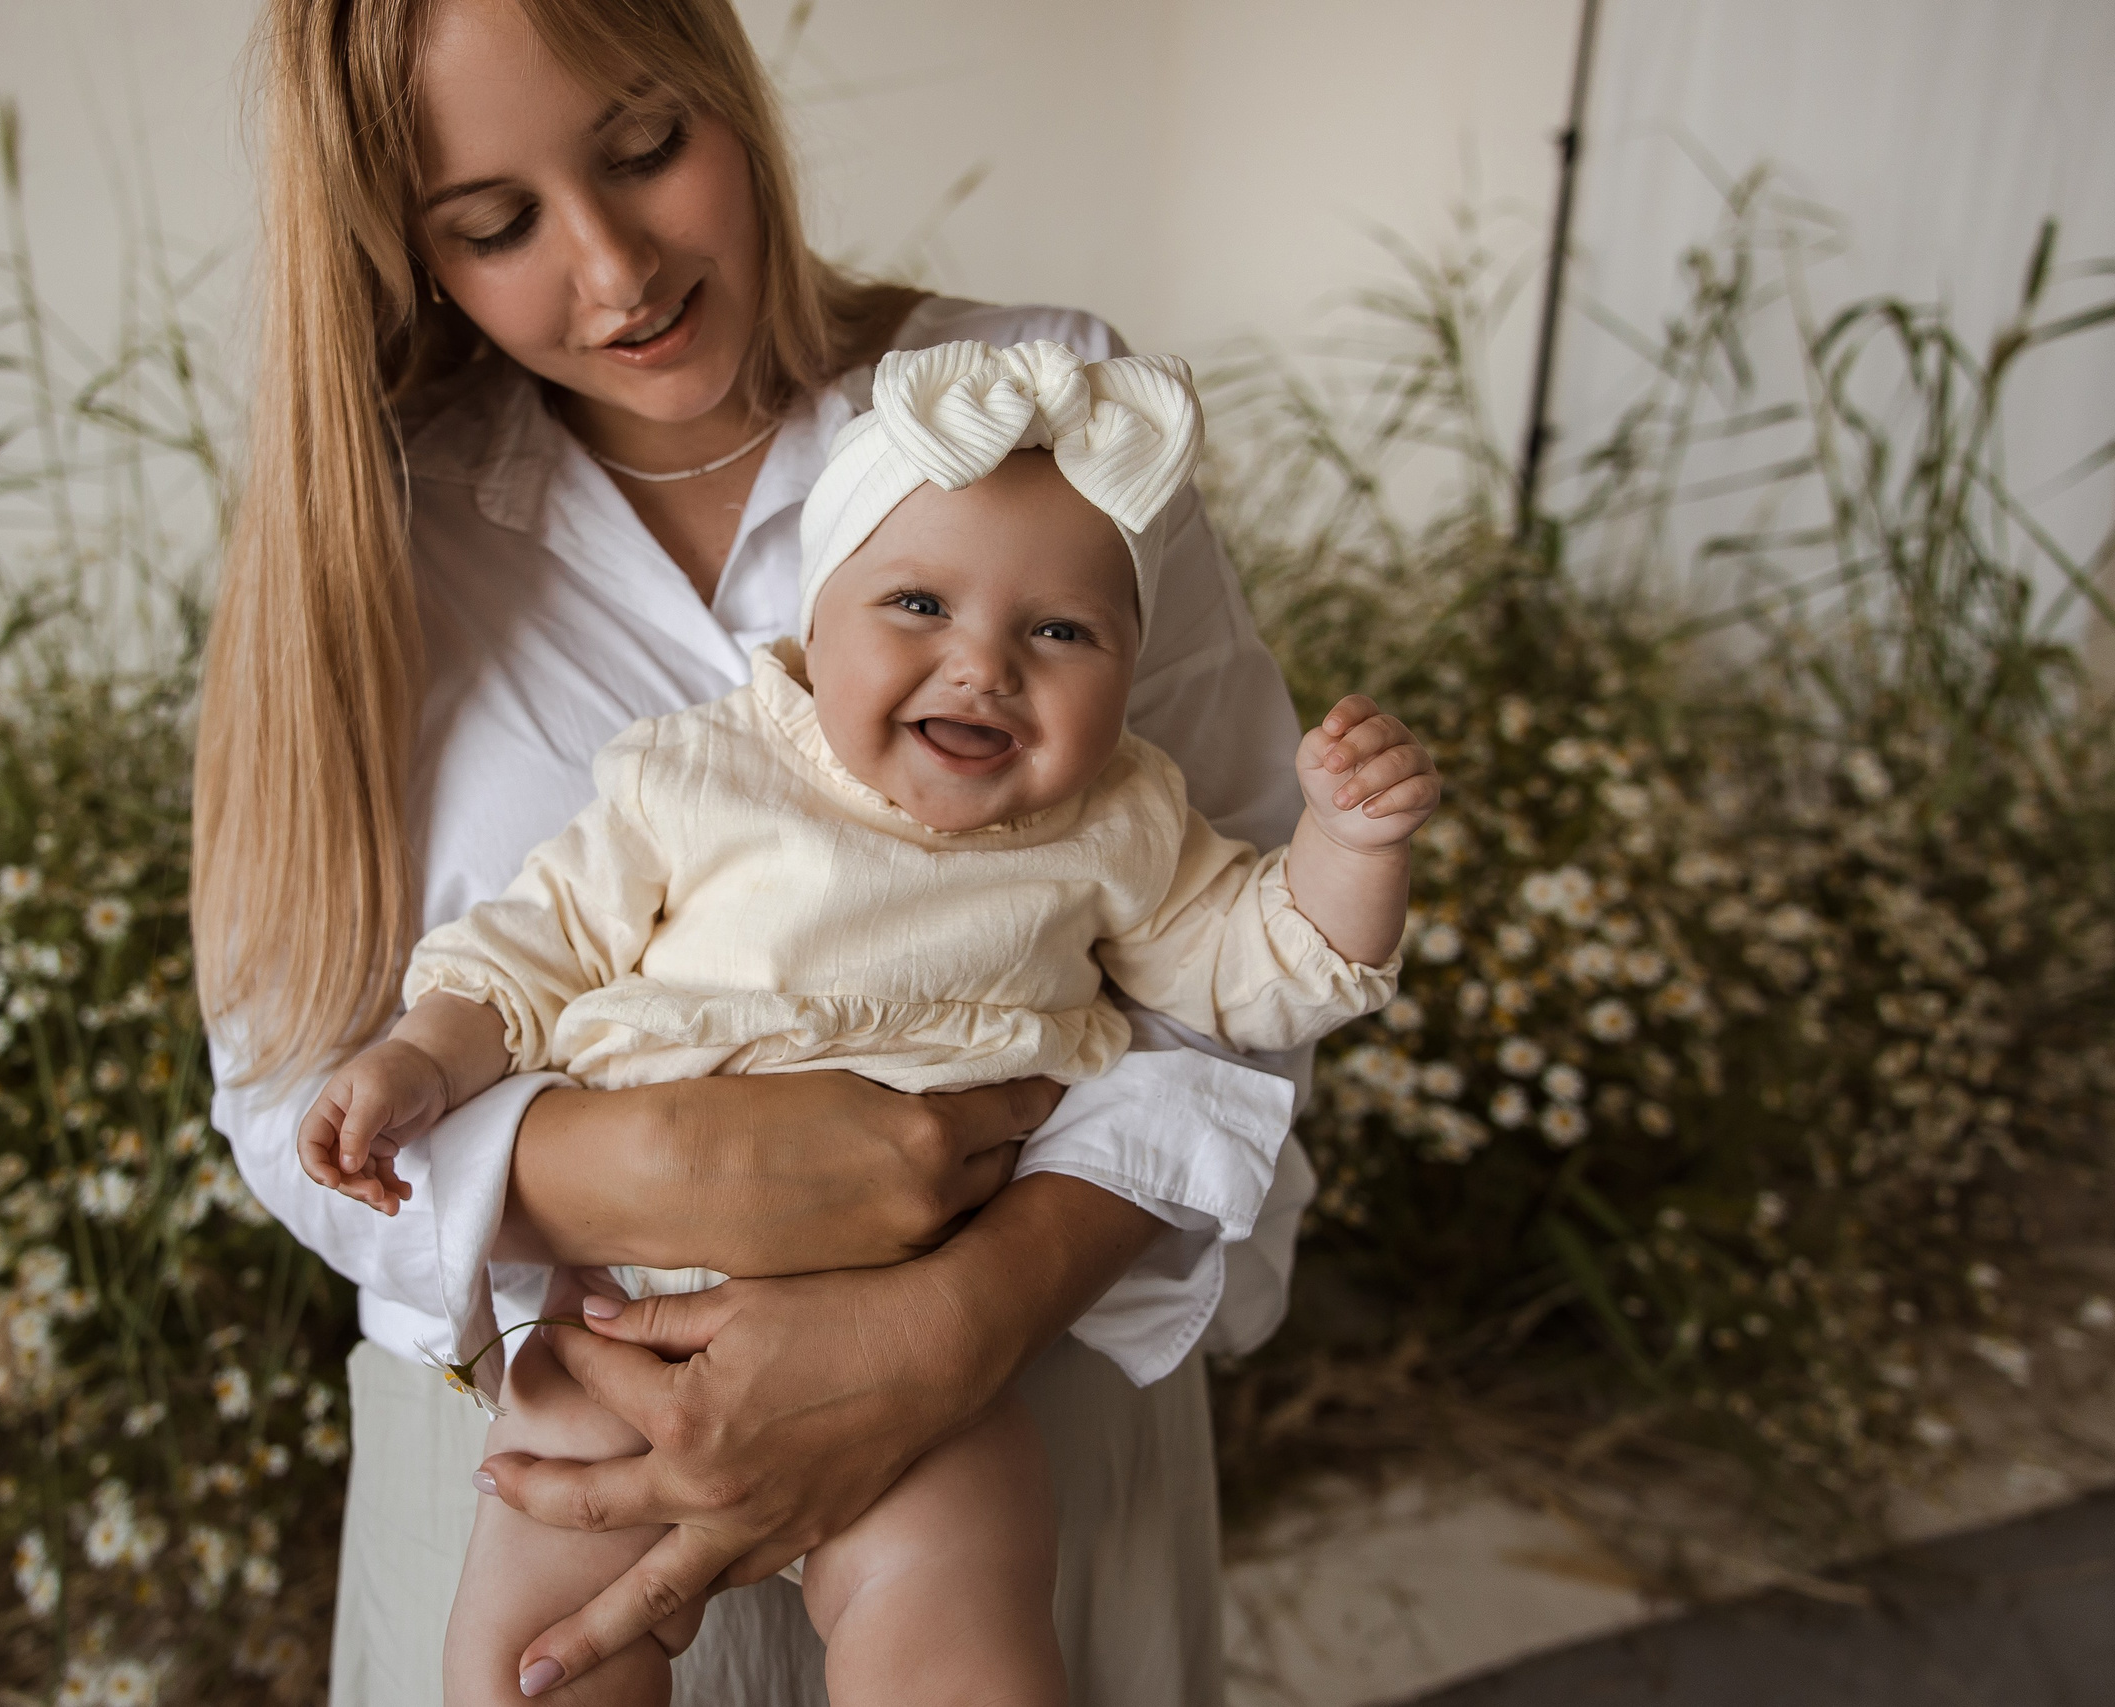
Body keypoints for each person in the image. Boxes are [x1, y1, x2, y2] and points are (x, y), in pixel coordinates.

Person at [194, 1, 1348, 1700]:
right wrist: (641, 1165)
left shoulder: (1038, 425)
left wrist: (958, 1316)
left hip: (1004, 1436)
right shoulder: (368, 541)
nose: (615, 272)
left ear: (731, 85)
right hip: (554, 1451)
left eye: (648, 145)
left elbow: (1231, 970)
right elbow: (288, 1091)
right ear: (406, 251)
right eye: (496, 226)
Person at [293, 338, 1437, 1706]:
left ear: (1132, 669)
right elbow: (526, 956)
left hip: (929, 1353)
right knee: (534, 1658)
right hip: (625, 1320)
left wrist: (1353, 850)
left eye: (1061, 632)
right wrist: (418, 1060)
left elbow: (1264, 970)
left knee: (961, 1635)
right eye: (916, 604)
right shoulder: (698, 774)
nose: (986, 667)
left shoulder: (1123, 821)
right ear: (813, 624)